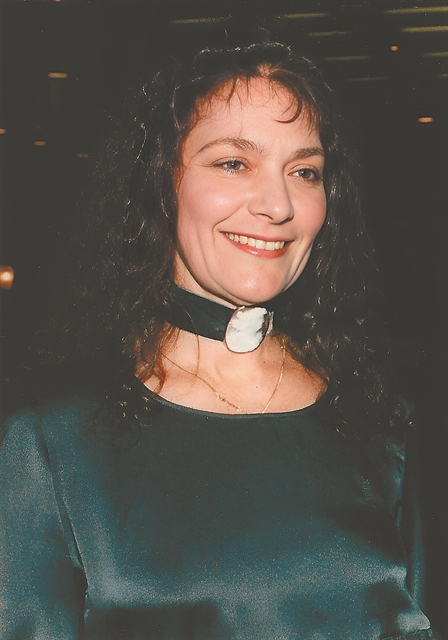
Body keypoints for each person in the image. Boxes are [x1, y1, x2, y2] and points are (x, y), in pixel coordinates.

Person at [0, 42, 439, 639]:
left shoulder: (381, 420)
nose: (279, 205)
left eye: (305, 171)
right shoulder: (49, 440)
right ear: (159, 183)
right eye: (234, 163)